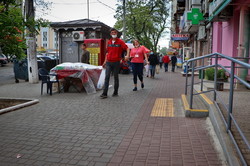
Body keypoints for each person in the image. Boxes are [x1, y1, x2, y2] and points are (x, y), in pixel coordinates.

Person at [100, 28, 129, 99]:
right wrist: (104, 62)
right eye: (112, 32)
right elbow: (107, 53)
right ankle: (104, 93)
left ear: (117, 33)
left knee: (116, 77)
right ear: (110, 34)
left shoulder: (120, 42)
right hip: (108, 62)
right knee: (107, 77)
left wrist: (127, 55)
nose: (113, 34)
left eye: (115, 32)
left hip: (116, 62)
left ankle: (115, 92)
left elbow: (127, 48)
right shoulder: (109, 42)